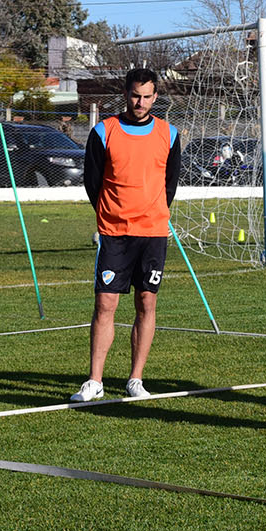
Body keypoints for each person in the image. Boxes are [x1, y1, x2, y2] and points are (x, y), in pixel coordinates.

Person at [71, 67, 181, 402]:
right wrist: (111, 213)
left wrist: (153, 212)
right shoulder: (104, 131)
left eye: (147, 96)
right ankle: (95, 380)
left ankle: (136, 379)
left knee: (147, 302)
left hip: (153, 233)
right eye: (135, 95)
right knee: (106, 303)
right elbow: (92, 182)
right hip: (115, 232)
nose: (141, 102)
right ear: (125, 94)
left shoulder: (169, 133)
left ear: (155, 97)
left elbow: (170, 184)